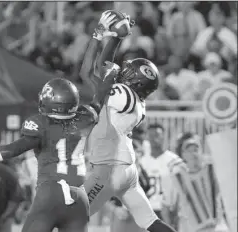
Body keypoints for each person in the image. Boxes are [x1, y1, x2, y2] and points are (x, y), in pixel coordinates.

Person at [0, 11, 122, 232]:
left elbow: (12, 149)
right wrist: (113, 45)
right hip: (79, 196)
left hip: (50, 193)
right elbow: (99, 89)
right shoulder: (86, 117)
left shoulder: (40, 124)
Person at [80, 10, 178, 232]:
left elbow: (88, 71)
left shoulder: (120, 93)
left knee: (70, 218)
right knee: (150, 221)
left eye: (128, 71)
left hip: (109, 169)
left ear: (133, 79)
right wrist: (116, 37)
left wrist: (100, 35)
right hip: (127, 170)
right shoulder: (136, 101)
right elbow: (102, 68)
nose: (123, 70)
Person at [163, 132, 228, 232]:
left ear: (201, 151)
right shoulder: (176, 178)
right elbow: (166, 207)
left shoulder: (213, 172)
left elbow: (226, 200)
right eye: (188, 150)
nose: (193, 153)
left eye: (196, 149)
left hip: (217, 228)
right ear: (182, 154)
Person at [141, 123, 184, 228]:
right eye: (150, 135)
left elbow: (180, 189)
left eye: (157, 135)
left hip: (167, 210)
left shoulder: (174, 161)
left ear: (163, 137)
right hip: (147, 210)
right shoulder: (141, 162)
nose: (153, 139)